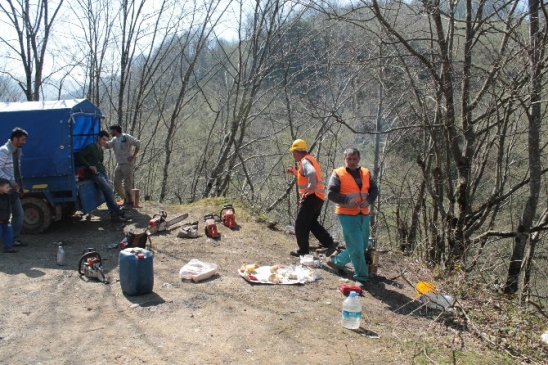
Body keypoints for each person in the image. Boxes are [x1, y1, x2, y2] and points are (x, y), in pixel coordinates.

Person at [326, 148, 378, 287]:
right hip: (346, 215)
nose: (352, 162)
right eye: (349, 159)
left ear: (359, 159)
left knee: (361, 245)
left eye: (354, 159)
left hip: (363, 213)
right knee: (356, 247)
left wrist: (369, 200)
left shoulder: (366, 172)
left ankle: (338, 261)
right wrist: (347, 200)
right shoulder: (338, 173)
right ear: (345, 159)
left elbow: (374, 190)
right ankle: (361, 277)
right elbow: (331, 194)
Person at [286, 139, 337, 257]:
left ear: (298, 151)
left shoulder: (305, 161)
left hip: (312, 196)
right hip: (318, 197)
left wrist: (310, 188)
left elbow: (312, 173)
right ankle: (329, 243)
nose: (293, 155)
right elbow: (304, 175)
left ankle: (303, 251)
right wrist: (295, 172)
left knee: (300, 224)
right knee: (311, 223)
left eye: (293, 152)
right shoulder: (309, 159)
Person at [77, 131, 129, 222]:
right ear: (99, 138)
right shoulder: (91, 147)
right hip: (94, 174)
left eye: (106, 140)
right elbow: (80, 156)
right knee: (108, 190)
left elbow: (100, 162)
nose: (104, 142)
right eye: (103, 139)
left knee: (108, 192)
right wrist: (89, 166)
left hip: (102, 173)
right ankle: (120, 212)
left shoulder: (100, 150)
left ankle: (114, 215)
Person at [0, 127, 28, 247]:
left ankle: (14, 239)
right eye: (22, 139)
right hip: (4, 190)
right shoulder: (4, 151)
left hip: (12, 189)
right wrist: (11, 181)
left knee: (19, 214)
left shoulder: (17, 151)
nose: (24, 142)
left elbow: (16, 170)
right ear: (14, 138)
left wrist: (18, 185)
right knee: (4, 216)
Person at [105, 125, 140, 210]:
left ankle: (129, 203)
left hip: (127, 163)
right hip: (119, 164)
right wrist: (100, 140)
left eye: (111, 131)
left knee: (128, 184)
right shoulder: (114, 140)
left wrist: (133, 156)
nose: (110, 132)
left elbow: (138, 143)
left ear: (115, 130)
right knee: (116, 183)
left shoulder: (126, 137)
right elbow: (107, 146)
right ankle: (125, 199)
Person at [0, 178, 17, 253]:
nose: (9, 189)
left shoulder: (8, 196)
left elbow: (14, 198)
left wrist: (15, 192)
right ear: (0, 188)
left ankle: (8, 247)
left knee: (9, 234)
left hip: (6, 220)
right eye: (7, 187)